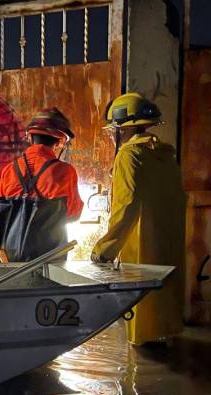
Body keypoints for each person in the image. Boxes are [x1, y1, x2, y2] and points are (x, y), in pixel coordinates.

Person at [91, 92, 185, 346]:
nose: (114, 135)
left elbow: (127, 204)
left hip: (141, 248)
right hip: (169, 246)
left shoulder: (129, 155)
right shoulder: (164, 154)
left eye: (114, 130)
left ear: (123, 129)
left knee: (141, 322)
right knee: (161, 315)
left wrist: (105, 249)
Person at [0, 107, 84, 261]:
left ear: (30, 137)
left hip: (11, 261)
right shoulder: (65, 171)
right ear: (60, 141)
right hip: (50, 261)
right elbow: (73, 215)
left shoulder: (9, 170)